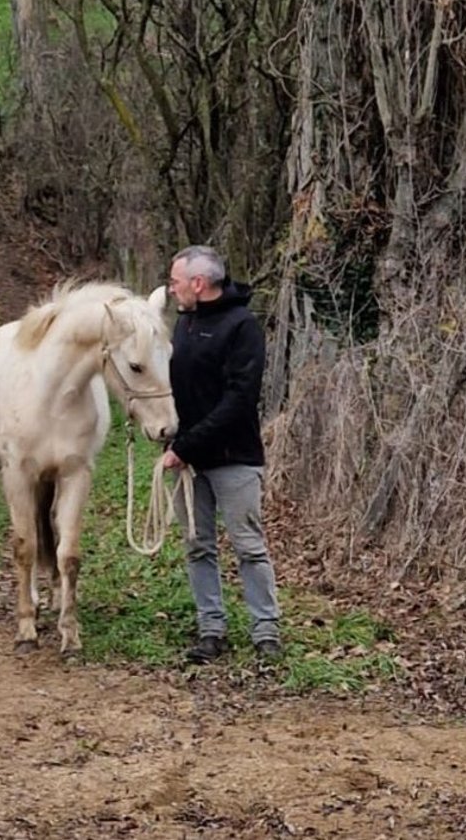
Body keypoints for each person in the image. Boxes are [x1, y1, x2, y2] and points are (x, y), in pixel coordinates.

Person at [160, 245, 283, 664]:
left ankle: (266, 631)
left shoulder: (242, 326)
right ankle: (211, 629)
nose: (171, 289)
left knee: (249, 546)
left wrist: (185, 447)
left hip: (234, 459)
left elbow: (239, 400)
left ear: (198, 283)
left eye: (176, 281)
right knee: (198, 546)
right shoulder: (184, 324)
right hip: (189, 462)